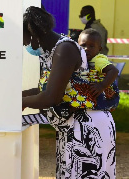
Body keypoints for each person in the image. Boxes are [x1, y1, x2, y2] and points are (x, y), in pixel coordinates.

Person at [22, 6, 116, 178]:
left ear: (33, 32)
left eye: (24, 39)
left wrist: (20, 103)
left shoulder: (64, 49)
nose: (24, 44)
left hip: (88, 128)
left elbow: (51, 97)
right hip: (74, 127)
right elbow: (51, 88)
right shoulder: (53, 51)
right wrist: (17, 96)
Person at [78, 28, 119, 98]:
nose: (86, 48)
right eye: (83, 45)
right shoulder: (83, 59)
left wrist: (102, 85)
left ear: (99, 49)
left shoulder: (97, 60)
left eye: (91, 46)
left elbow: (114, 71)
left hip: (102, 96)